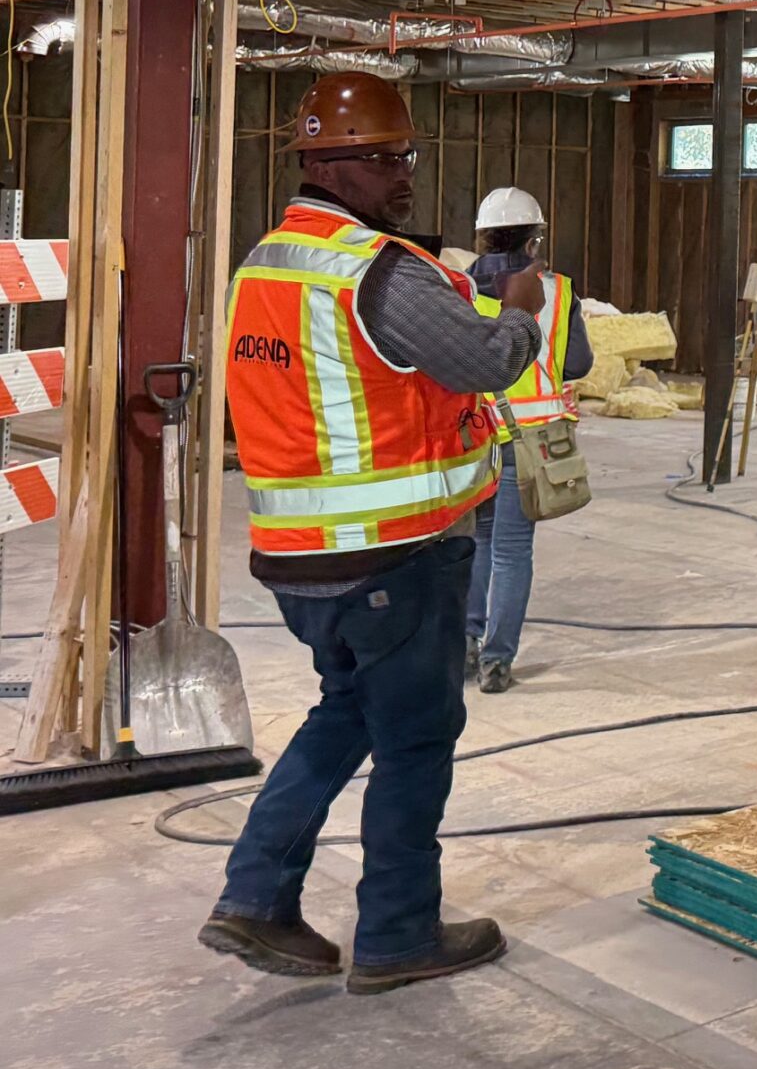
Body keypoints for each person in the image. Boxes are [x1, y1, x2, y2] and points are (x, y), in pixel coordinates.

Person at [202, 71, 546, 995]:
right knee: (416, 742)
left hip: (300, 560)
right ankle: (399, 933)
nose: (403, 176)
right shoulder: (377, 270)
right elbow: (485, 361)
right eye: (385, 160)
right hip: (394, 557)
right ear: (328, 166)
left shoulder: (265, 263)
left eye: (406, 158)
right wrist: (522, 310)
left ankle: (256, 895)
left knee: (347, 711)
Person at [464, 186, 593, 696]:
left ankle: (464, 645)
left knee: (477, 542)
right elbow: (578, 363)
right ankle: (496, 662)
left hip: (473, 438)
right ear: (534, 239)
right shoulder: (557, 292)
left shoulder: (458, 288)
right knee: (512, 552)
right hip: (529, 440)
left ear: (482, 236)